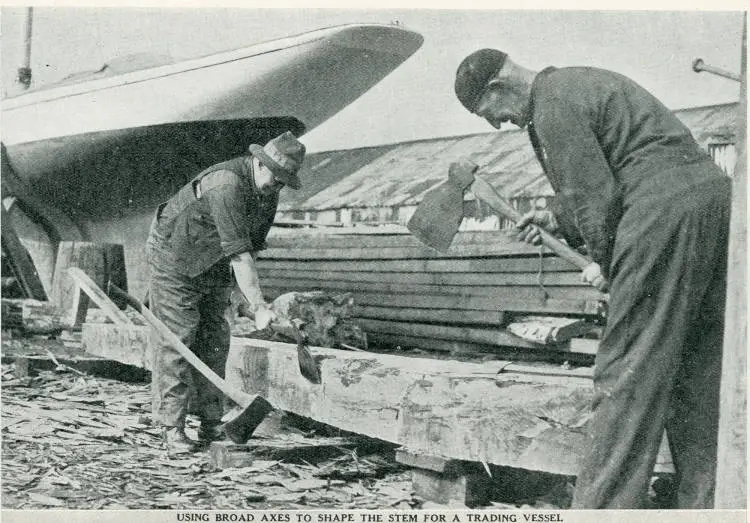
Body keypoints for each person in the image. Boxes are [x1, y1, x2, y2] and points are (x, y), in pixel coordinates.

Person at [454, 49, 731, 509]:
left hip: (661, 213)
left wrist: (605, 264)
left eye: (492, 114)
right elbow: (611, 174)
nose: (497, 124)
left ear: (497, 87)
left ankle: (603, 510)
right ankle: (709, 504)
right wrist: (551, 217)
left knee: (626, 373)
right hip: (716, 204)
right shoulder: (580, 82)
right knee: (699, 369)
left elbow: (595, 197)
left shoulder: (551, 106)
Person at [146, 131, 306, 454]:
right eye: (275, 179)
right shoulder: (227, 184)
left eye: (282, 183)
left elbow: (250, 250)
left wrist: (245, 300)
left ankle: (211, 421)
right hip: (175, 255)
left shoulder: (267, 193)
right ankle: (170, 427)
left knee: (216, 338)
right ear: (260, 164)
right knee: (178, 337)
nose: (277, 187)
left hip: (214, 262)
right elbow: (241, 257)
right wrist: (260, 307)